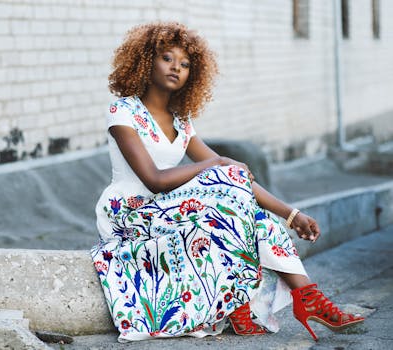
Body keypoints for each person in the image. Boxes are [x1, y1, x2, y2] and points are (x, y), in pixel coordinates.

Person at [90, 21, 364, 343]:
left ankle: (308, 298)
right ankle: (243, 301)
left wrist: (292, 215)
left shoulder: (181, 122)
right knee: (225, 176)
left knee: (249, 207)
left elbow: (235, 180)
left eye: (185, 64)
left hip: (170, 208)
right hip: (130, 211)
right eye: (167, 58)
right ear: (147, 60)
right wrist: (217, 162)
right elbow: (154, 180)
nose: (176, 68)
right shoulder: (123, 111)